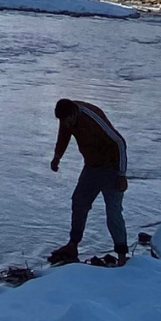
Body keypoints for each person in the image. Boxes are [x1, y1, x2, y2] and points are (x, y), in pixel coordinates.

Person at [48, 97, 128, 264]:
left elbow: (119, 142)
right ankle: (73, 244)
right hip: (91, 168)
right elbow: (63, 137)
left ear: (73, 113)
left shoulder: (92, 116)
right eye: (62, 122)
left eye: (67, 121)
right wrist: (57, 157)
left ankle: (121, 255)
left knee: (113, 212)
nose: (65, 125)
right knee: (79, 202)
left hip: (112, 169)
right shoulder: (66, 118)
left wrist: (121, 174)